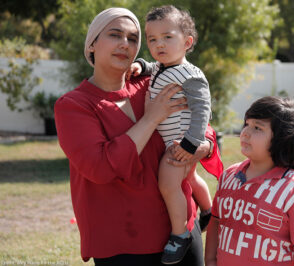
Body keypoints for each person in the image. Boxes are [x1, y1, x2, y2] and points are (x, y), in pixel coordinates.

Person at [54, 7, 222, 266]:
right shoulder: (74, 105)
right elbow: (100, 168)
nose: (125, 44)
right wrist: (151, 118)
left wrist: (205, 146)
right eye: (115, 35)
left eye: (132, 38)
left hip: (181, 234)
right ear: (92, 44)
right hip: (123, 244)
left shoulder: (152, 84)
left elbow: (197, 121)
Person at [130, 5, 214, 264]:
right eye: (153, 39)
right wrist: (141, 66)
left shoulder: (191, 74)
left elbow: (203, 110)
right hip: (175, 141)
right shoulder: (163, 67)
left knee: (168, 183)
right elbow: (154, 69)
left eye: (168, 37)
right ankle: (210, 210)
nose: (159, 44)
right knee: (190, 176)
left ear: (187, 42)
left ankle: (181, 234)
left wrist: (190, 144)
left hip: (179, 142)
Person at [205, 96, 294, 266]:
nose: (245, 132)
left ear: (284, 139)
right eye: (247, 124)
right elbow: (215, 222)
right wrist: (210, 260)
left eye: (257, 128)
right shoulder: (229, 177)